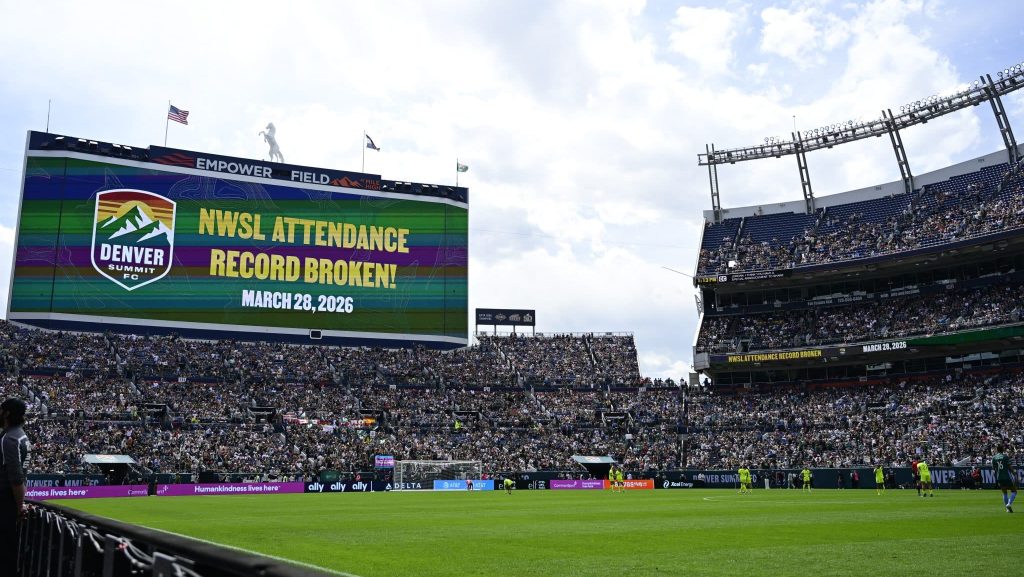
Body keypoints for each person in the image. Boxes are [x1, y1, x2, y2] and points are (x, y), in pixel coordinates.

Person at [0, 398, 30, 572]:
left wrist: (19, 507)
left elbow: (16, 477)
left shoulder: (10, 438)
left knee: (5, 554)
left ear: (7, 413)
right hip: (9, 502)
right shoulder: (20, 434)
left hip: (5, 502)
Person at [992, 445, 1017, 513]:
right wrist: (1014, 473)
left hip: (999, 477)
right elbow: (1009, 466)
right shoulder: (1005, 457)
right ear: (1002, 450)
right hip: (1007, 476)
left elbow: (993, 469)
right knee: (1014, 491)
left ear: (997, 450)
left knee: (1004, 493)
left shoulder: (994, 458)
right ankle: (1009, 504)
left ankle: (1007, 509)